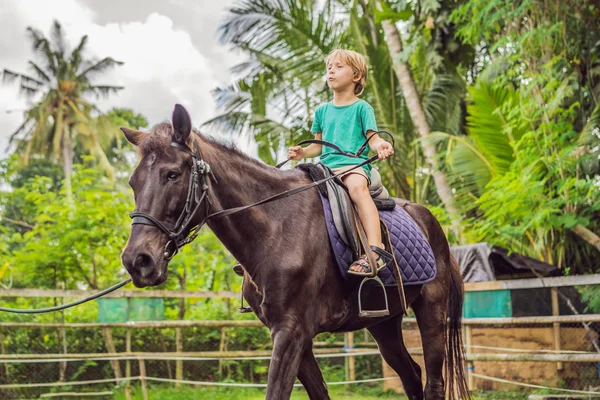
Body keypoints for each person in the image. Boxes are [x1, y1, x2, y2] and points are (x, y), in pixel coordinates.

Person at [287, 49, 394, 275]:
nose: (331, 71)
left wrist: (381, 146)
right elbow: (318, 146)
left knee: (357, 188)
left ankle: (376, 249)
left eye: (338, 66)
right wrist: (302, 153)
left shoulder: (362, 108)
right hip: (324, 168)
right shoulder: (322, 111)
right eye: (329, 67)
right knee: (293, 192)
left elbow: (372, 139)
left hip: (352, 166)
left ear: (356, 76)